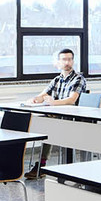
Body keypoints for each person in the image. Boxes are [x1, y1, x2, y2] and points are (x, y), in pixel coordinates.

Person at [25, 49, 86, 178]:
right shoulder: (57, 79)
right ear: (58, 62)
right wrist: (35, 99)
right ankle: (36, 165)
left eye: (70, 59)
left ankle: (42, 165)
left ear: (73, 61)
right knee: (38, 122)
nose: (67, 62)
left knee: (49, 126)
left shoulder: (78, 78)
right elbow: (43, 95)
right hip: (57, 116)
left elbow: (72, 100)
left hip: (72, 118)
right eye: (64, 59)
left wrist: (54, 102)